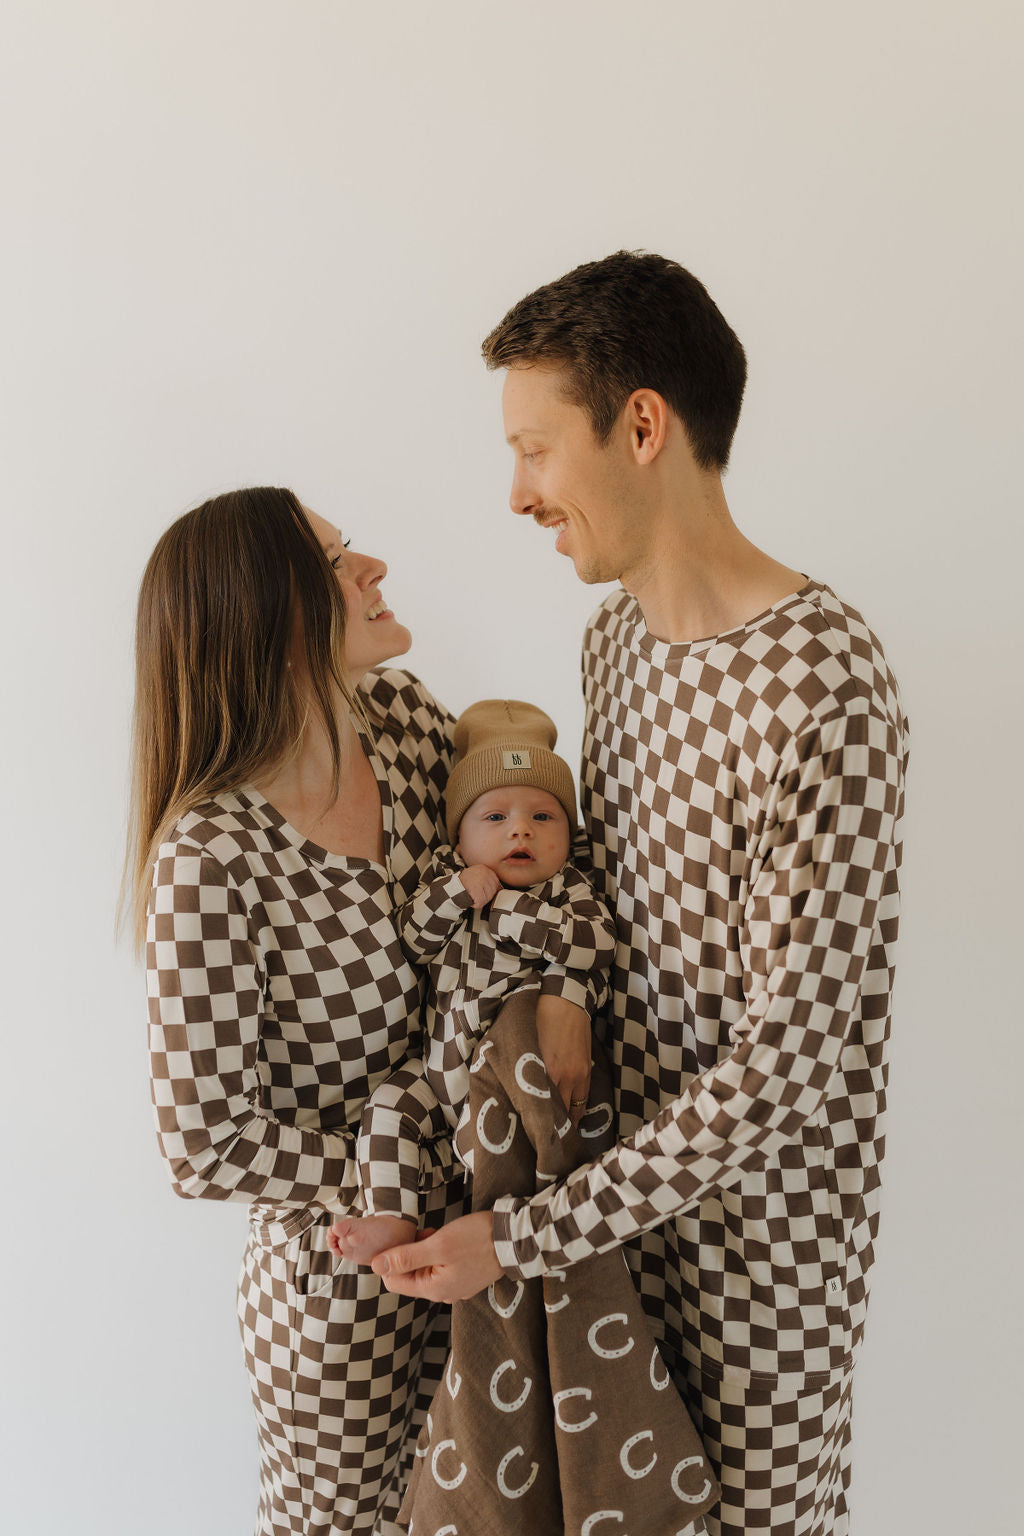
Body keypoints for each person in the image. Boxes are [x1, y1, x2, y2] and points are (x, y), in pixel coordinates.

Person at [371, 252, 909, 1536]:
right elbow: (596, 911)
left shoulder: (823, 682)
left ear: (643, 424)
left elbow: (787, 1063)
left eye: (534, 448)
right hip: (597, 1232)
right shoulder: (612, 642)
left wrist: (523, 1236)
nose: (516, 494)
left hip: (756, 1278)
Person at [128, 487, 592, 1536]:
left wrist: (570, 992)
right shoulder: (212, 858)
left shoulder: (406, 725)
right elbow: (203, 1145)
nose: (373, 564)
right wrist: (402, 1170)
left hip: (491, 1239)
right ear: (272, 614)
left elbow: (530, 877)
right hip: (342, 1293)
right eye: (338, 560)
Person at [330, 697, 616, 1265]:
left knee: (518, 1153)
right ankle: (390, 1213)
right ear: (458, 838)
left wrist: (511, 911)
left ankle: (523, 1238)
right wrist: (458, 892)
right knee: (388, 1109)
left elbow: (596, 945)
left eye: (543, 816)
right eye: (495, 818)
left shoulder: (566, 890)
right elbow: (412, 940)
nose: (521, 832)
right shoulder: (446, 877)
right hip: (438, 1065)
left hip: (506, 1070)